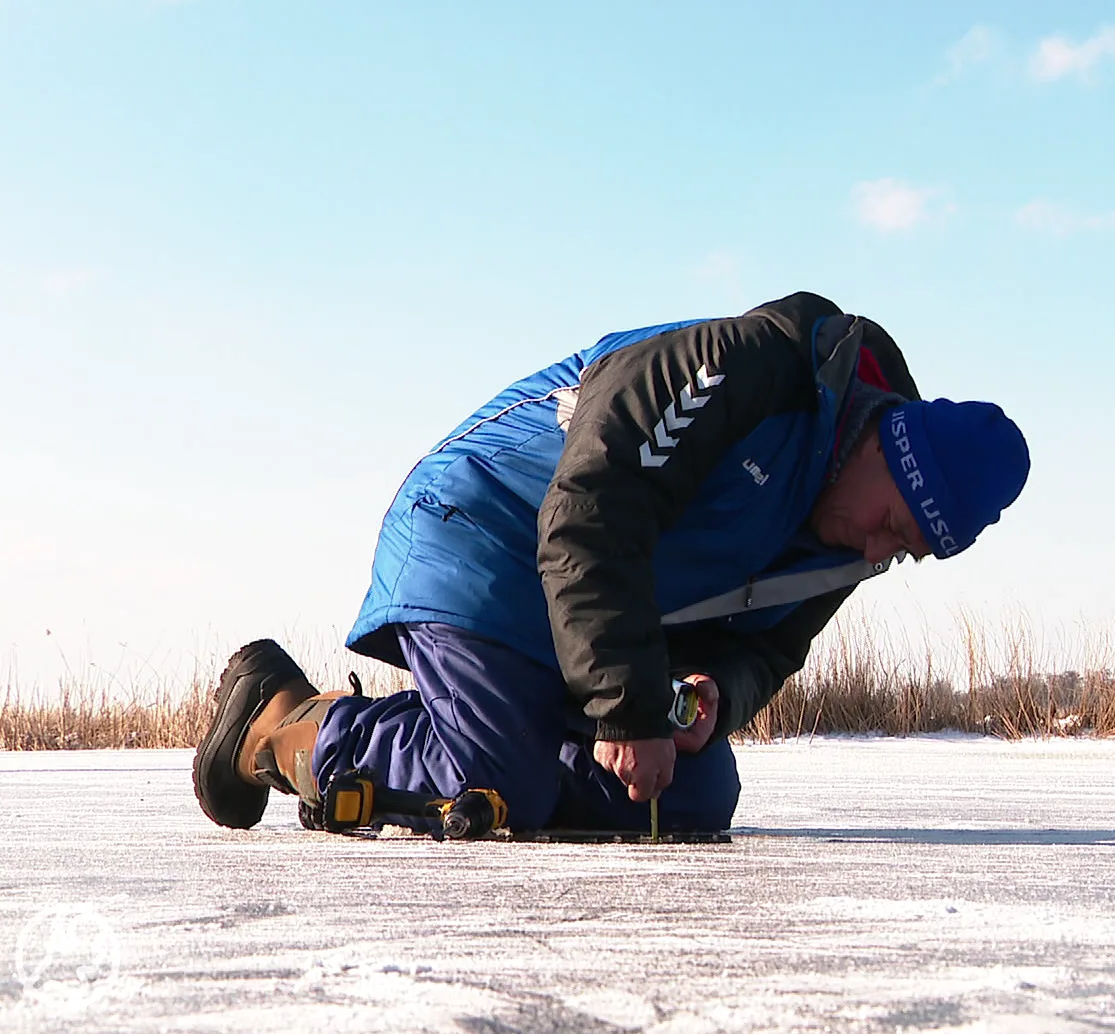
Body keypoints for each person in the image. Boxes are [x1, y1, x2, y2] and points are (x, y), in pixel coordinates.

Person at [191, 292, 1029, 835]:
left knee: (691, 802)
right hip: (481, 529)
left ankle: (505, 747)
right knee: (500, 782)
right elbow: (593, 509)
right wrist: (627, 709)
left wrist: (711, 697)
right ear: (888, 442)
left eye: (903, 552)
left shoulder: (845, 545)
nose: (878, 553)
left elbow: (766, 652)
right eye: (889, 523)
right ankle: (286, 720)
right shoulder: (758, 371)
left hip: (581, 615)